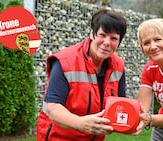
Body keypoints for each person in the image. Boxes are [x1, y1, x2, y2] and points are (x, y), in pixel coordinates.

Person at [36, 8, 127, 141]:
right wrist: (80, 124)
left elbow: (120, 106)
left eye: (114, 38)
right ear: (91, 34)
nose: (107, 43)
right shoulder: (65, 61)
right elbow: (53, 108)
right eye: (102, 35)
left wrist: (136, 120)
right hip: (59, 137)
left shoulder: (118, 66)